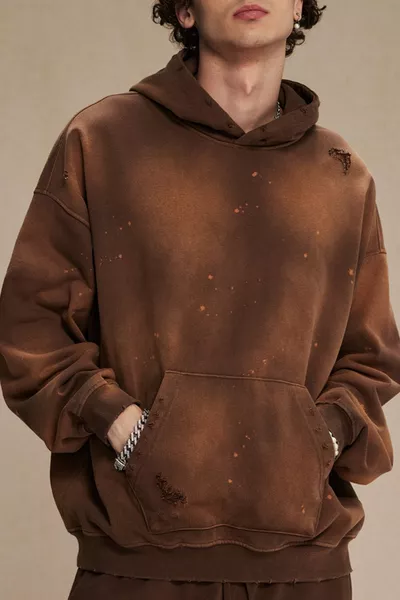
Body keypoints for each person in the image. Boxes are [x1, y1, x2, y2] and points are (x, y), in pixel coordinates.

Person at [1, 1, 399, 599]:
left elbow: (372, 356)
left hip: (305, 570)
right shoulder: (102, 141)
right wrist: (125, 428)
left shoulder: (342, 177)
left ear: (299, 7)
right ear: (185, 11)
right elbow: (30, 326)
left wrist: (322, 438)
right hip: (136, 564)